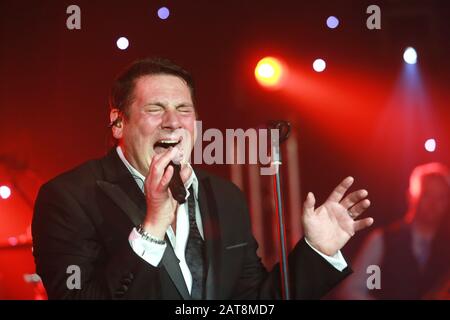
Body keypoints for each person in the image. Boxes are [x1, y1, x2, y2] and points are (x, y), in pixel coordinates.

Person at [32, 57, 373, 299]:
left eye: (183, 109)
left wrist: (317, 252)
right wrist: (151, 229)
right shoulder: (69, 197)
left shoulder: (224, 197)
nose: (173, 121)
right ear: (118, 122)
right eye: (155, 108)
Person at [337, 162, 450, 299]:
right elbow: (352, 291)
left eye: (441, 197)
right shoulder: (382, 240)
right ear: (410, 196)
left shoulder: (446, 248)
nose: (433, 203)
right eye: (427, 194)